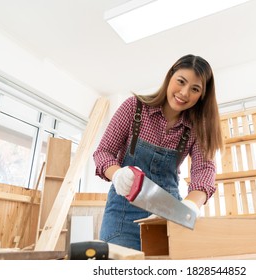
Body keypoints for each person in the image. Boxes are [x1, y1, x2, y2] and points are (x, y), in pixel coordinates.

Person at [93, 54, 223, 251]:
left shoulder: (196, 128)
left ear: (201, 96)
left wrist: (190, 207)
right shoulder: (134, 108)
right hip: (122, 215)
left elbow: (204, 171)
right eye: (181, 81)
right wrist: (117, 174)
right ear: (170, 76)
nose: (184, 93)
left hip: (167, 215)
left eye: (195, 89)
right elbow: (103, 152)